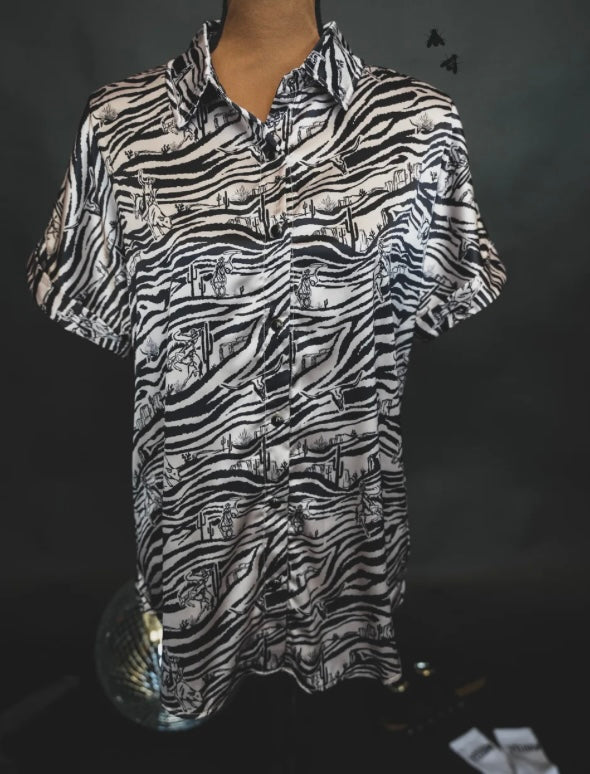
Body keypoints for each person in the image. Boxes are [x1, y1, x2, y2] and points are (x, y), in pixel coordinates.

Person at [26, 0, 507, 721]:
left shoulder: (417, 127)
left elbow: (440, 295)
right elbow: (107, 314)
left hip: (345, 552)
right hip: (198, 556)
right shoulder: (119, 128)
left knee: (335, 731)